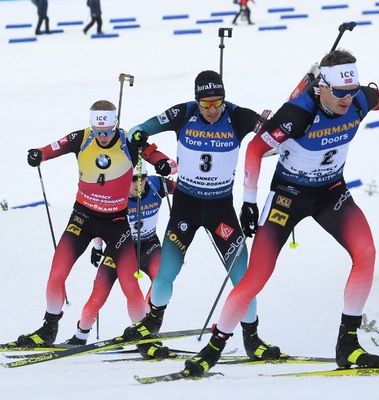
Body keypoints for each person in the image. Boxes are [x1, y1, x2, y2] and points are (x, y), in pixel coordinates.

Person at [182, 49, 379, 377]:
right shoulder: (296, 114)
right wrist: (250, 202)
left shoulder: (357, 100)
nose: (346, 99)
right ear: (322, 86)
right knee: (257, 276)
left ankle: (348, 344)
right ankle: (213, 348)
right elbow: (255, 149)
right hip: (288, 197)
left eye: (351, 92)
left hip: (330, 192)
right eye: (339, 92)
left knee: (366, 253)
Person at [120, 70, 279, 360]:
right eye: (205, 104)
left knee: (242, 276)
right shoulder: (184, 112)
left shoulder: (237, 116)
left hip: (221, 209)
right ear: (197, 101)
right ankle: (151, 325)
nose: (212, 109)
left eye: (217, 102)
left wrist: (272, 125)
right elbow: (137, 131)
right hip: (186, 206)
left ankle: (252, 338)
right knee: (167, 272)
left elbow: (273, 137)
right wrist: (150, 149)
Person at [15, 100, 172, 347]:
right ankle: (48, 328)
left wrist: (161, 162)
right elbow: (56, 147)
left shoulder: (128, 140)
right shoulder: (82, 138)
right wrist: (39, 154)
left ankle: (145, 339)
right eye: (98, 132)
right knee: (57, 274)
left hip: (117, 221)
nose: (103, 137)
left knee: (130, 284)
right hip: (83, 217)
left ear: (115, 125)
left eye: (108, 131)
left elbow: (151, 152)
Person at [64, 165, 176, 347]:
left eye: (143, 177)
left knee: (162, 282)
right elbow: (98, 219)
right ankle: (80, 336)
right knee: (98, 293)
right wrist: (98, 247)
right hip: (120, 248)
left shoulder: (156, 184)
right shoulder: (115, 194)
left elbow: (184, 189)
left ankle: (145, 328)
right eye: (133, 179)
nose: (139, 183)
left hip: (149, 245)